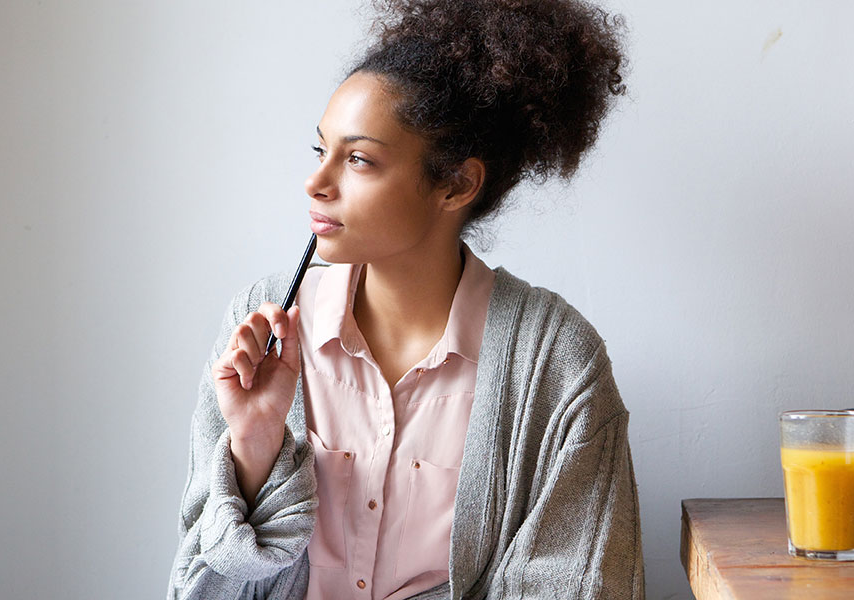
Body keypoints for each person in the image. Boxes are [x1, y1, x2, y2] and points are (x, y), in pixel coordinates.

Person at [167, 0, 644, 598]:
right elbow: (198, 584)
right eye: (321, 150)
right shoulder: (260, 330)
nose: (316, 182)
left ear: (457, 184)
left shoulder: (557, 364)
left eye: (359, 159)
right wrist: (256, 452)